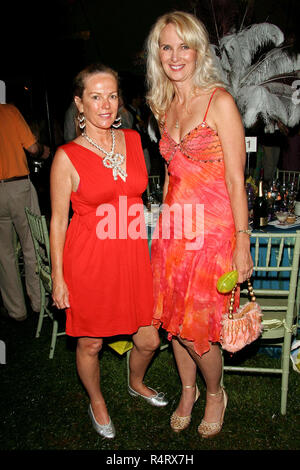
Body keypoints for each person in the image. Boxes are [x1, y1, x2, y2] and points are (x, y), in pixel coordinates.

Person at [146, 11, 253, 438]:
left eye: (183, 46)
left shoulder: (219, 101)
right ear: (158, 54)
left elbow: (234, 178)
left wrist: (241, 242)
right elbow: (172, 171)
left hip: (213, 235)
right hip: (174, 232)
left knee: (197, 329)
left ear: (198, 51)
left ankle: (214, 391)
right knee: (174, 323)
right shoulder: (162, 104)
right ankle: (187, 390)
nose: (175, 56)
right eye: (166, 46)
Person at [50, 63, 167, 440]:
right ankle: (97, 401)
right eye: (95, 97)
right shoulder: (66, 157)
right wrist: (58, 277)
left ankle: (135, 381)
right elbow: (57, 221)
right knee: (91, 342)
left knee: (149, 338)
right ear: (79, 104)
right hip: (89, 262)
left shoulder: (133, 140)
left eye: (112, 95)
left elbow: (136, 196)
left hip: (133, 257)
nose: (106, 105)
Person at [0, 103, 49, 321]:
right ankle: (38, 302)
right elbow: (32, 148)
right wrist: (43, 149)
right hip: (17, 185)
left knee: (4, 254)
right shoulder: (8, 111)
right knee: (31, 245)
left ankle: (16, 311)